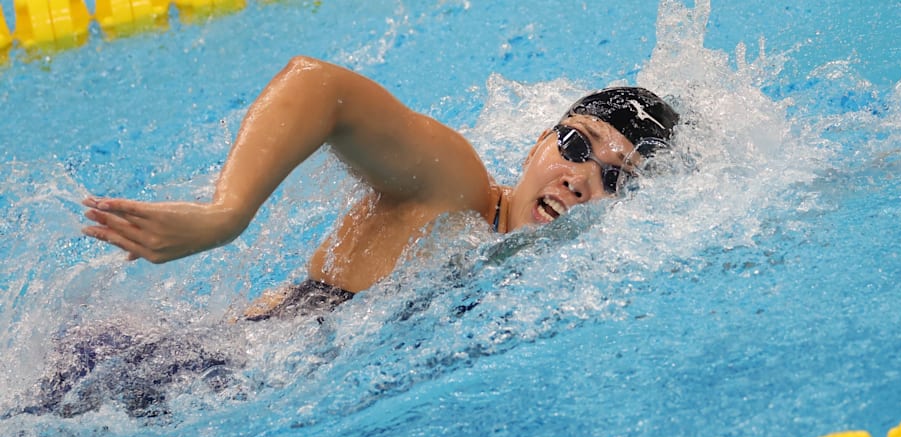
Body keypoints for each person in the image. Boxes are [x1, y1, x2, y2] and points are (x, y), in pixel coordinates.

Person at [81, 56, 679, 321]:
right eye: (575, 146)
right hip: (170, 380)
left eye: (614, 178)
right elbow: (320, 87)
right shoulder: (456, 187)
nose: (580, 177)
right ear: (535, 146)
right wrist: (227, 215)